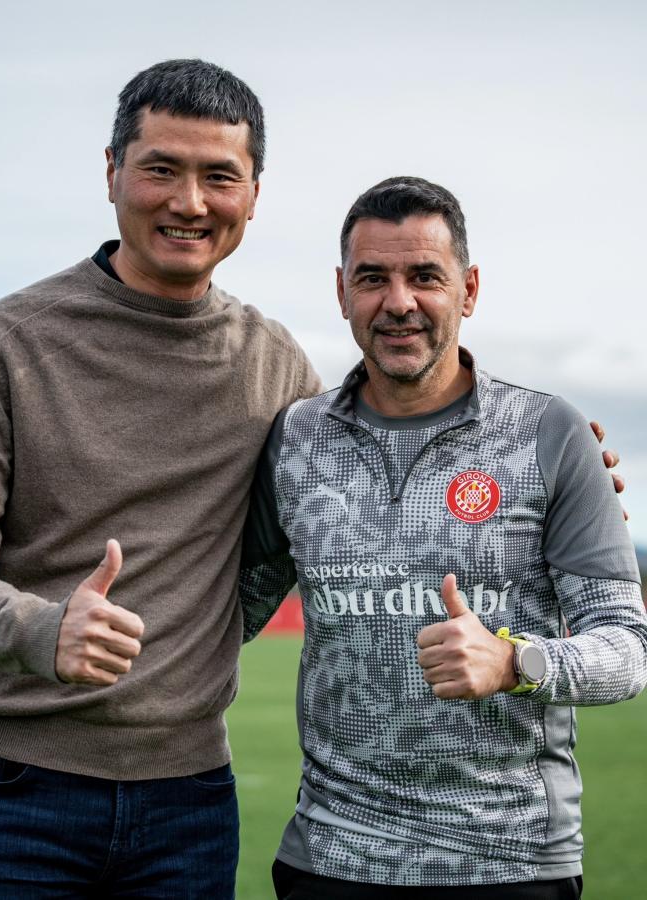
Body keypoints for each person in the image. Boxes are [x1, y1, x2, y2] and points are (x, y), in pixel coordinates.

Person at [0, 59, 322, 898]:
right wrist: (43, 631)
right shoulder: (1, 344)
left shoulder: (277, 365)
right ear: (111, 173)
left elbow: (365, 490)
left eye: (220, 177)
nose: (190, 202)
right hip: (6, 791)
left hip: (189, 800)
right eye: (161, 169)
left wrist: (544, 468)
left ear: (254, 194)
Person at [240, 176, 647, 900]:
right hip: (331, 859)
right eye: (373, 278)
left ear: (469, 290)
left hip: (510, 863)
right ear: (342, 292)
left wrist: (515, 661)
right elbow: (229, 610)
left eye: (425, 276)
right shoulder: (296, 438)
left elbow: (627, 648)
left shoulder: (548, 433)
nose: (399, 301)